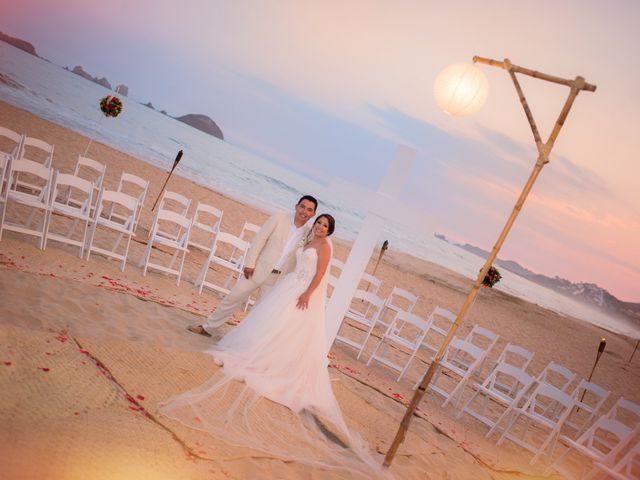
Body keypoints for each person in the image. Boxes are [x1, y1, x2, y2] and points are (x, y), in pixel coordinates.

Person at [160, 214, 385, 478]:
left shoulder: (326, 247)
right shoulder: (309, 239)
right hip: (290, 285)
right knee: (270, 321)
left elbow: (322, 274)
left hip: (302, 292)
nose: (320, 227)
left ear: (330, 230)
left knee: (286, 326)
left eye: (325, 225)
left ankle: (274, 363)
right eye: (319, 223)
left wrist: (307, 294)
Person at [188, 195, 317, 337]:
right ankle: (208, 328)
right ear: (296, 206)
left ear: (313, 214)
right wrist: (250, 263)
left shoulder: (310, 232)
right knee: (233, 298)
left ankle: (245, 340)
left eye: (309, 210)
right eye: (302, 207)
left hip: (277, 279)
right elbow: (259, 239)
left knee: (260, 313)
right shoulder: (279, 217)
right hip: (257, 269)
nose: (304, 211)